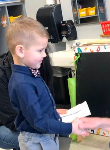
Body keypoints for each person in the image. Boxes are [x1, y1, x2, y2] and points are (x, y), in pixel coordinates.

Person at [5, 16, 87, 150]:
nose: (44, 55)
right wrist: (71, 127)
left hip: (44, 135)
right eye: (40, 50)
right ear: (20, 51)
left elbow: (38, 106)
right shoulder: (23, 84)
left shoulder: (30, 74)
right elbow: (38, 122)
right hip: (37, 139)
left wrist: (53, 112)